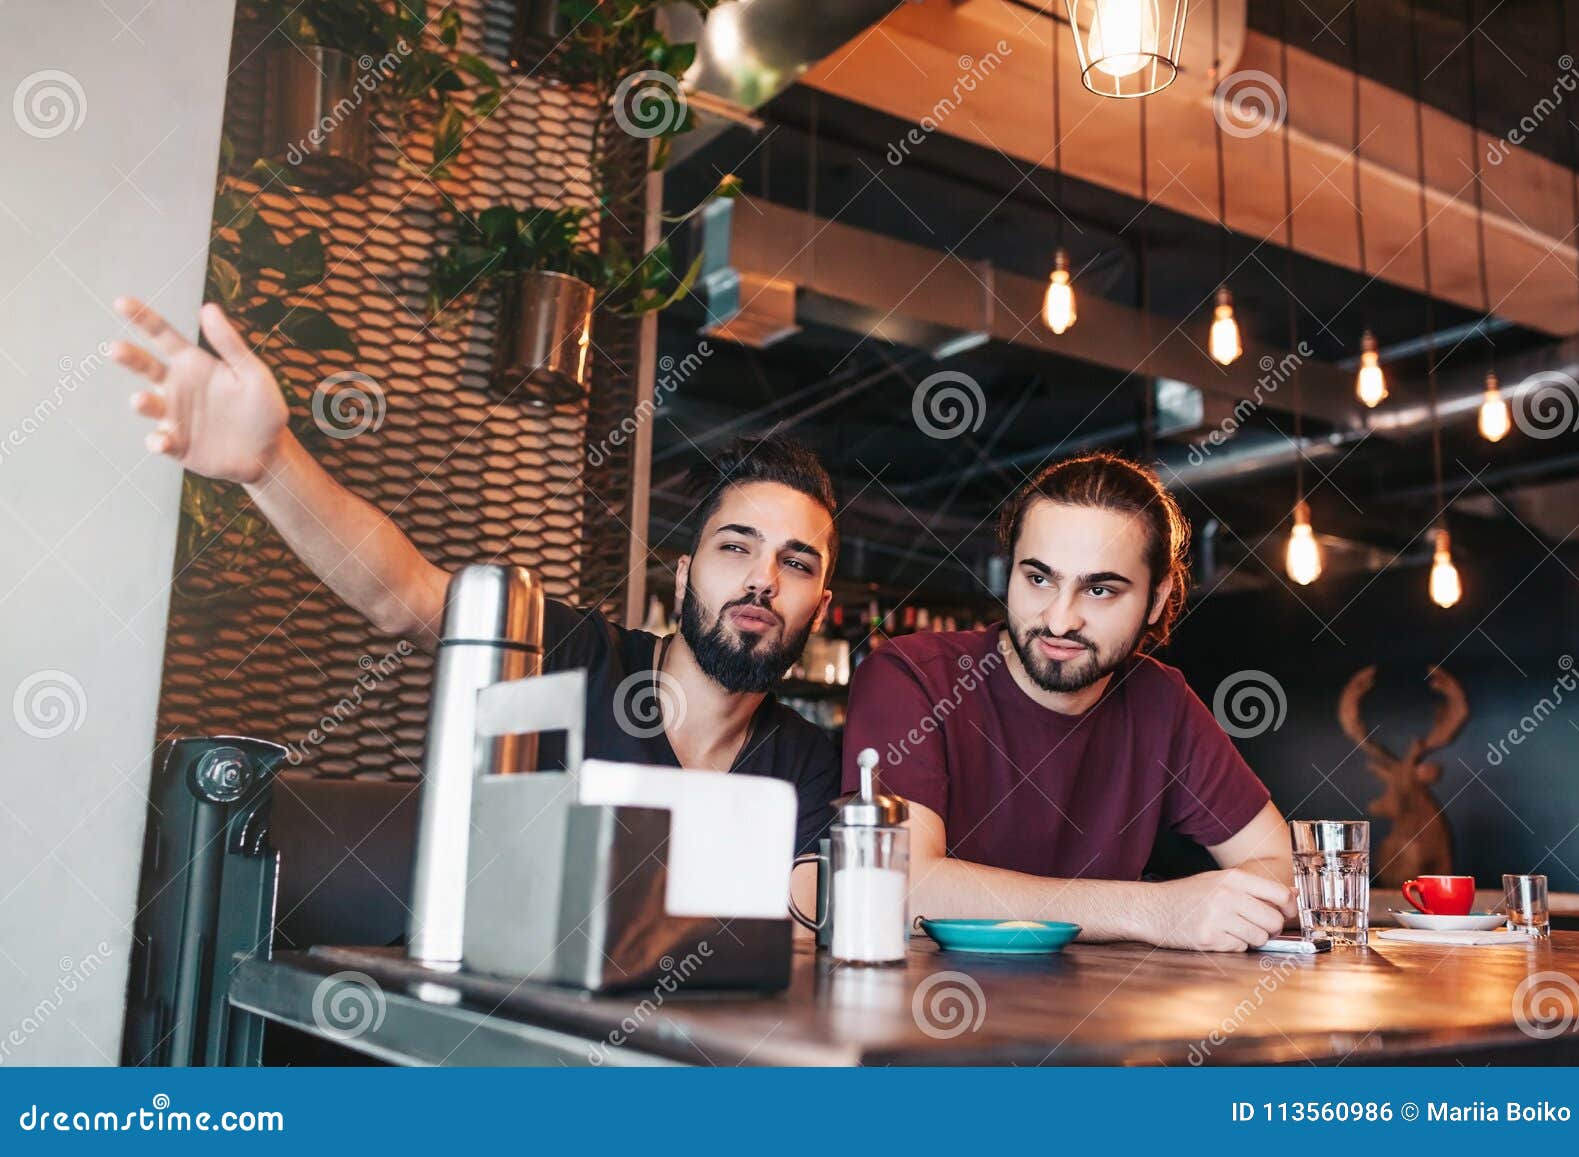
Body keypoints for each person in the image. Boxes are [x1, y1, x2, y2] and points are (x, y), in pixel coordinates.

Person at [108, 297, 841, 856]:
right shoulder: (575, 656)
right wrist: (270, 467)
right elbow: (403, 595)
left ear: (821, 604)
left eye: (796, 561)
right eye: (736, 547)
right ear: (684, 573)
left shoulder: (808, 763)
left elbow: (801, 933)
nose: (763, 579)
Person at [842, 452, 1296, 952]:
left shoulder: (1161, 701)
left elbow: (1285, 870)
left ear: (1159, 598)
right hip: (933, 1015)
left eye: (1099, 590)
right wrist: (1154, 910)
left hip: (1102, 1016)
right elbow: (900, 887)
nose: (1059, 620)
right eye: (1039, 579)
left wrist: (1219, 906)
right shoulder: (913, 676)